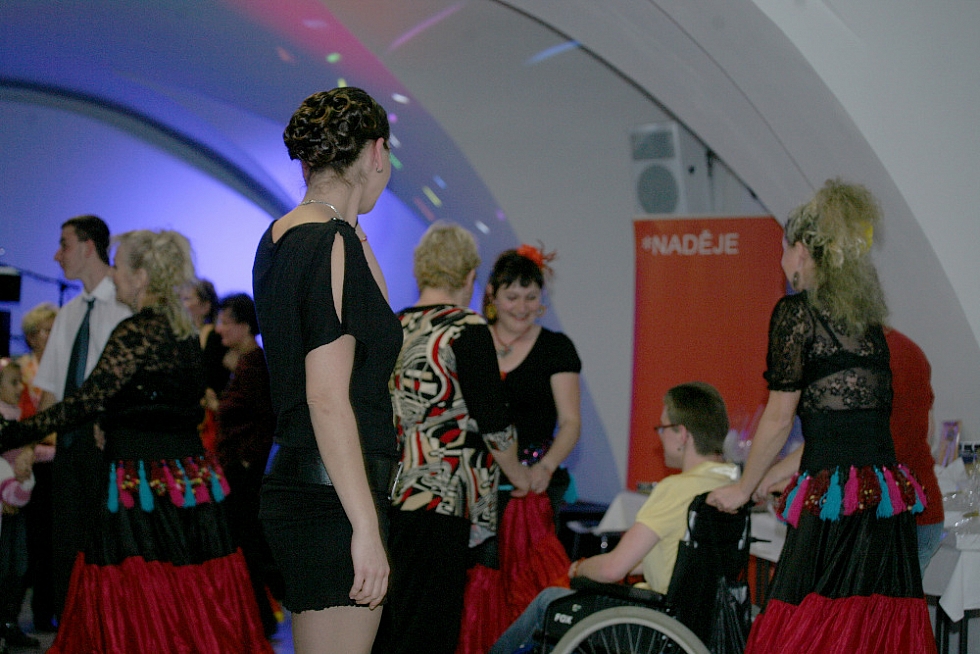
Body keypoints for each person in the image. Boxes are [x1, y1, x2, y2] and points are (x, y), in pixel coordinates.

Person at [0, 229, 272, 653]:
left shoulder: (137, 331)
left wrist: (11, 433)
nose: (114, 275)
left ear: (142, 276)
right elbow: (172, 407)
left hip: (140, 486)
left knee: (137, 590)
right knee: (187, 591)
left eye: (119, 266)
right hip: (187, 483)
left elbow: (86, 401)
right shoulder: (184, 332)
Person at [707, 180, 936, 653]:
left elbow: (779, 418)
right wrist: (772, 474)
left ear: (801, 251)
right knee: (869, 635)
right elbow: (844, 429)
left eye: (783, 250)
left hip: (837, 505)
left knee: (808, 629)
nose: (782, 262)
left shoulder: (797, 314)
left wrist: (744, 488)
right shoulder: (867, 325)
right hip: (882, 502)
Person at [252, 87, 401, 654]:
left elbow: (376, 316)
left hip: (306, 486)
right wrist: (365, 526)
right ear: (377, 151)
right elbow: (327, 398)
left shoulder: (283, 236)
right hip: (335, 495)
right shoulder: (330, 241)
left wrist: (353, 218)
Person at [373, 223, 532, 654]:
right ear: (470, 276)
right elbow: (494, 422)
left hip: (390, 494)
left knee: (394, 620)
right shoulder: (467, 328)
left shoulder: (395, 325)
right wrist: (520, 476)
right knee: (431, 628)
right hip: (443, 495)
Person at [490, 382, 739, 654]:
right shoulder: (731, 485)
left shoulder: (675, 489)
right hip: (701, 624)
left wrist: (580, 568)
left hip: (656, 623)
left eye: (663, 428)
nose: (660, 436)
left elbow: (612, 570)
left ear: (682, 434)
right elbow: (685, 560)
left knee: (549, 600)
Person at [755, 327, 946, 578]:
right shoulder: (908, 349)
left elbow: (838, 440)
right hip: (921, 510)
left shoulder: (859, 358)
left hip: (881, 521)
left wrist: (773, 478)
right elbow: (928, 431)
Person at [29, 215, 131, 620]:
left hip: (112, 449)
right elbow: (50, 393)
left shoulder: (125, 307)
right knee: (67, 550)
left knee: (110, 549)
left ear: (89, 247)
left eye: (64, 244)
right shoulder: (69, 313)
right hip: (69, 452)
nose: (57, 256)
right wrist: (28, 446)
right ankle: (74, 631)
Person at [206, 292, 280, 637]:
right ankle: (258, 617)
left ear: (245, 326)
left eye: (225, 321)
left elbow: (264, 419)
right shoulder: (245, 362)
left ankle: (262, 616)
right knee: (246, 543)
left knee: (247, 543)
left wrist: (249, 460)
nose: (219, 328)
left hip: (243, 469)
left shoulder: (254, 364)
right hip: (239, 466)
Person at [15, 303, 58, 633]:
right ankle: (16, 613)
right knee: (27, 541)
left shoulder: (64, 366)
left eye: (53, 329)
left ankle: (47, 610)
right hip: (24, 461)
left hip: (56, 461)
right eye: (44, 330)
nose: (49, 336)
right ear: (31, 337)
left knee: (51, 540)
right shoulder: (19, 370)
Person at [0, 359, 40, 649]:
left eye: (20, 383)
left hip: (17, 502)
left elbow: (23, 452)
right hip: (4, 505)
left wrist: (34, 451)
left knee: (18, 565)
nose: (19, 388)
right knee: (5, 567)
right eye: (13, 383)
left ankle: (9, 623)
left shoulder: (16, 417)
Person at [181, 279, 230, 456]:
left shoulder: (214, 338)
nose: (181, 305)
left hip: (207, 417)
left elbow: (214, 380)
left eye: (187, 299)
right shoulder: (180, 337)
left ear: (205, 306)